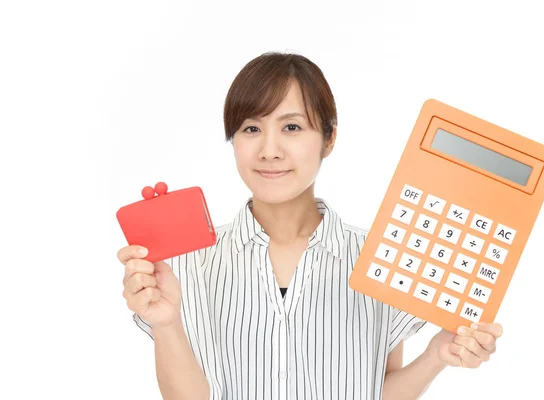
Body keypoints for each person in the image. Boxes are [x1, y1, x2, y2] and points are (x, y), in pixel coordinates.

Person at [116, 51, 503, 400]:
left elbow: (378, 391)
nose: (269, 150)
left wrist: (436, 355)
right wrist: (166, 325)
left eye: (292, 127)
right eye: (251, 129)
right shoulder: (185, 267)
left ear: (329, 138)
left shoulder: (379, 257)